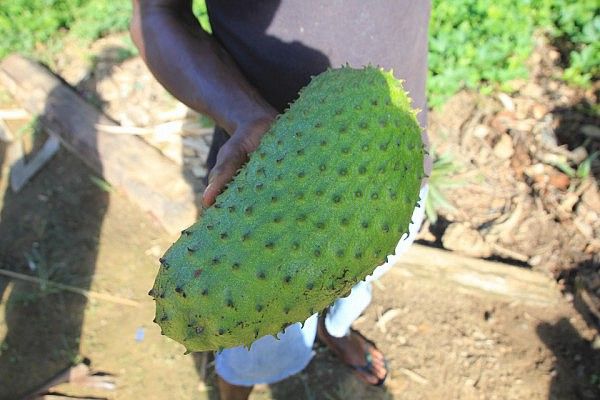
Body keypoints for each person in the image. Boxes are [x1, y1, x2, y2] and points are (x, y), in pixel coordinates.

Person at [131, 1, 431, 398]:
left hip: (394, 162)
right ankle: (237, 386)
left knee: (358, 280)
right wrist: (242, 114)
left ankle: (332, 329)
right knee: (251, 339)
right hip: (269, 164)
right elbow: (156, 15)